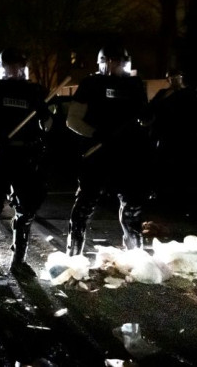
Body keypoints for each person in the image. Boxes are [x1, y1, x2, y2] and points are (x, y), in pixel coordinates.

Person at [0, 48, 53, 281]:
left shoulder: (34, 91)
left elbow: (49, 124)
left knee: (26, 210)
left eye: (19, 66)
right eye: (11, 66)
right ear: (2, 67)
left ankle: (19, 261)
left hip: (26, 157)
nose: (15, 70)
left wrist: (45, 113)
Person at [65, 42, 151, 256]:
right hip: (97, 152)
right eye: (113, 63)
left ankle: (135, 253)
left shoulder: (134, 85)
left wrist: (147, 118)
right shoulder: (90, 84)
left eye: (121, 63)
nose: (117, 67)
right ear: (105, 63)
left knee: (132, 206)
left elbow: (144, 115)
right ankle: (74, 252)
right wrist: (95, 133)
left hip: (127, 154)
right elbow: (72, 119)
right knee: (85, 204)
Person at [147, 68, 197, 210]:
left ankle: (179, 195)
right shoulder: (163, 93)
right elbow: (151, 108)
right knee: (161, 163)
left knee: (180, 164)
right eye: (171, 78)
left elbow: (193, 115)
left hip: (181, 134)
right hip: (163, 133)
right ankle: (161, 193)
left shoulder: (188, 93)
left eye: (176, 77)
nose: (174, 80)